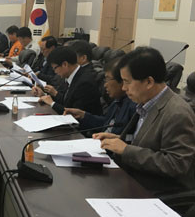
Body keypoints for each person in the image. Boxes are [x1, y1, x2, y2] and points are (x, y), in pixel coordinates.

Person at [93, 47, 195, 195]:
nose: (124, 88)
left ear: (148, 82)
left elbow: (176, 164)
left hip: (156, 191)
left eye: (127, 82)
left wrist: (126, 150)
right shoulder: (146, 103)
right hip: (133, 177)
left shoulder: (177, 113)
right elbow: (150, 144)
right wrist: (120, 140)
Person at [64, 58, 136, 135]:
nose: (105, 85)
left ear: (122, 81)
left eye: (107, 79)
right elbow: (106, 123)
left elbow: (132, 138)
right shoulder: (117, 101)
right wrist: (83, 115)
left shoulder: (133, 106)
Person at [33, 46, 102, 115]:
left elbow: (74, 113)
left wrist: (52, 103)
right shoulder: (70, 76)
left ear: (65, 64)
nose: (55, 72)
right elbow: (66, 101)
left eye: (55, 68)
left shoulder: (84, 83)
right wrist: (44, 95)